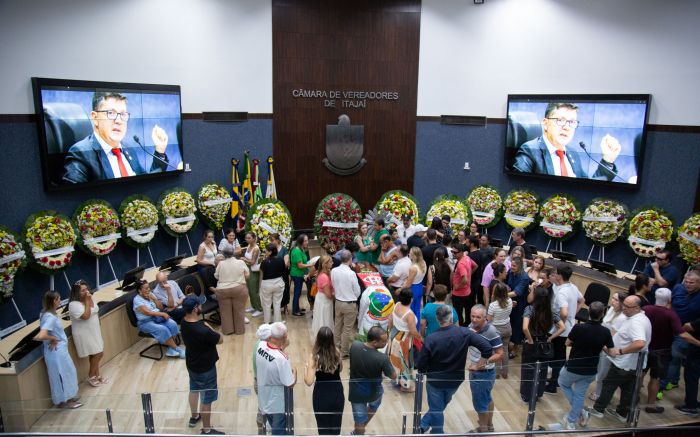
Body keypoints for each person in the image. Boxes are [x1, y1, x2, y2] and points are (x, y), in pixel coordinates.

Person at [62, 91, 173, 183]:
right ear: (95, 118)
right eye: (111, 113)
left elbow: (146, 184)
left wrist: (160, 151)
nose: (119, 120)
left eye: (123, 114)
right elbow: (74, 199)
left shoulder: (128, 150)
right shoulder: (81, 153)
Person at [416, 305, 493, 434]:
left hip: (435, 381)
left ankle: (437, 433)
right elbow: (487, 348)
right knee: (439, 407)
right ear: (451, 317)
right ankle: (423, 424)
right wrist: (479, 365)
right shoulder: (464, 333)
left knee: (436, 409)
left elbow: (421, 366)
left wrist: (424, 371)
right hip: (455, 380)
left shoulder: (431, 339)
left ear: (437, 319)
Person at [512, 102, 623, 181]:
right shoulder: (530, 150)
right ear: (545, 124)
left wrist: (607, 160)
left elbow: (588, 188)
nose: (566, 127)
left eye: (572, 122)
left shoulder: (572, 154)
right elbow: (519, 190)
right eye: (560, 120)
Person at [589, 295, 652, 422]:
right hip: (632, 364)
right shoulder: (639, 317)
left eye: (627, 307)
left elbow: (640, 343)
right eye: (624, 305)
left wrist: (620, 351)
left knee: (608, 385)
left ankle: (598, 409)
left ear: (637, 308)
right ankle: (622, 413)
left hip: (624, 363)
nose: (624, 308)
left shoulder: (636, 322)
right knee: (627, 389)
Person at [557, 302, 616, 430]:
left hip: (573, 366)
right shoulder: (605, 332)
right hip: (590, 370)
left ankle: (580, 413)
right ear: (602, 315)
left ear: (588, 312)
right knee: (579, 395)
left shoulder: (579, 328)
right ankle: (572, 421)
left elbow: (567, 343)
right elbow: (611, 351)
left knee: (563, 383)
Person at [642, 288, 700, 413]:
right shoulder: (671, 314)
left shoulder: (646, 309)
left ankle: (633, 399)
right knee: (655, 379)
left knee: (639, 375)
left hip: (644, 349)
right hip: (661, 353)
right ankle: (651, 405)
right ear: (669, 300)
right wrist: (698, 343)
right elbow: (683, 334)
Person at [180, 296, 225, 435]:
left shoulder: (183, 322)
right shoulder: (203, 330)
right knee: (207, 398)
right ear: (195, 309)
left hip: (192, 364)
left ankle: (194, 416)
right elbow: (220, 340)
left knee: (194, 389)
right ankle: (207, 429)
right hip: (206, 368)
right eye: (199, 305)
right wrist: (210, 327)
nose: (201, 306)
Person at [35, 291, 81, 408]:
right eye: (59, 299)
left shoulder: (46, 313)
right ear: (54, 301)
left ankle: (69, 397)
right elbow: (41, 335)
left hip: (59, 352)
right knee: (62, 376)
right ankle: (65, 402)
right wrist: (53, 338)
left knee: (68, 373)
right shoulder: (49, 317)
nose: (60, 301)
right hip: (56, 353)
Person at [348, 326, 396, 435]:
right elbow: (393, 376)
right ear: (374, 342)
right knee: (373, 407)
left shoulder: (354, 345)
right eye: (384, 341)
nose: (386, 343)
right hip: (374, 391)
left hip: (356, 391)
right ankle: (359, 430)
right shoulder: (382, 358)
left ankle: (358, 430)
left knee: (359, 419)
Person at [520, 287, 565, 403]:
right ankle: (538, 393)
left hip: (532, 343)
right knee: (542, 370)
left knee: (528, 369)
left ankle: (526, 394)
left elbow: (525, 327)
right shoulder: (551, 311)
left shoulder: (530, 309)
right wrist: (550, 337)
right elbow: (562, 327)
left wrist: (530, 340)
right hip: (545, 343)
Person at [545, 264, 584, 394]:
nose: (554, 276)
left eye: (556, 274)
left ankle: (553, 384)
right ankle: (556, 381)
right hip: (568, 328)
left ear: (560, 276)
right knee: (560, 356)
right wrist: (573, 316)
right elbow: (581, 300)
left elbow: (564, 312)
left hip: (560, 330)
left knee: (557, 357)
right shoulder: (573, 287)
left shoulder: (562, 292)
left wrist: (559, 322)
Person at [661, 269, 700, 394]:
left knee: (675, 357)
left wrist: (693, 325)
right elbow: (670, 303)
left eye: (691, 283)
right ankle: (673, 380)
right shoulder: (678, 288)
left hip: (686, 332)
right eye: (686, 282)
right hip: (670, 327)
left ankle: (662, 385)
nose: (688, 284)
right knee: (669, 356)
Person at [467, 305, 504, 433]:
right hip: (477, 371)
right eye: (472, 316)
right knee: (487, 398)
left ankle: (483, 430)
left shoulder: (492, 332)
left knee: (480, 404)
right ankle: (489, 426)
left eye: (478, 317)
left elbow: (500, 353)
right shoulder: (471, 327)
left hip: (483, 373)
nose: (474, 319)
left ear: (485, 318)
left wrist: (481, 364)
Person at [256, 322, 296, 435]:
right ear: (284, 337)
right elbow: (289, 383)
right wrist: (295, 373)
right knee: (279, 432)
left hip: (264, 399)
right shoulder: (282, 358)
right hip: (278, 405)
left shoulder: (260, 346)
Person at [304, 327, 344, 435]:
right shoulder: (337, 352)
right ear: (332, 339)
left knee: (323, 426)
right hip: (337, 392)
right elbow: (340, 369)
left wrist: (306, 367)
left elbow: (308, 382)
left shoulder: (314, 357)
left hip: (321, 394)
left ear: (318, 339)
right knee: (336, 424)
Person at [68, 280, 107, 387]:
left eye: (86, 289)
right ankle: (91, 376)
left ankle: (97, 375)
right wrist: (87, 300)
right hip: (84, 333)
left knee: (95, 354)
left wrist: (88, 300)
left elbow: (95, 309)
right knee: (99, 353)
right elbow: (85, 316)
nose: (86, 292)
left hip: (94, 331)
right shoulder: (73, 305)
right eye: (83, 290)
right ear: (76, 293)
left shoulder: (88, 298)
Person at [132, 280, 184, 358]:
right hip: (145, 322)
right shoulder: (137, 300)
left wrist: (154, 299)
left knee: (172, 324)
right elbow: (148, 313)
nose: (148, 290)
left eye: (148, 287)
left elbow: (161, 307)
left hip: (157, 318)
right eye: (146, 288)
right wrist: (162, 314)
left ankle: (171, 349)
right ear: (140, 290)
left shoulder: (151, 295)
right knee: (163, 329)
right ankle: (177, 349)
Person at [592, 291, 628, 401]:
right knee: (600, 369)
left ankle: (599, 394)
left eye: (616, 300)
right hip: (602, 343)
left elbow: (613, 334)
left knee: (604, 371)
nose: (613, 301)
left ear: (622, 303)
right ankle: (598, 390)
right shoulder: (611, 309)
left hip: (610, 346)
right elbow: (603, 324)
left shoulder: (623, 317)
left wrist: (603, 343)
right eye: (613, 298)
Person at [387, 288, 422, 392]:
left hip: (394, 335)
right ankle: (405, 386)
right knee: (405, 363)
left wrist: (390, 332)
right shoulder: (409, 314)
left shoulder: (397, 304)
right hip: (404, 340)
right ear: (411, 300)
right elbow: (413, 331)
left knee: (395, 360)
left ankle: (395, 379)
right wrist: (421, 339)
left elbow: (390, 319)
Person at [211, 247, 249, 335]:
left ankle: (228, 331)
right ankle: (239, 331)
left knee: (225, 311)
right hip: (239, 288)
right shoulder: (241, 262)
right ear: (234, 253)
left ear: (224, 254)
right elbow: (247, 274)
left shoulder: (220, 264)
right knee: (239, 310)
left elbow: (216, 276)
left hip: (223, 290)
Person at [332, 250, 362, 357]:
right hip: (349, 303)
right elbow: (357, 291)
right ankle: (344, 352)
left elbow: (333, 285)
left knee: (337, 326)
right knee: (347, 329)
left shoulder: (334, 270)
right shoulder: (351, 273)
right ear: (350, 260)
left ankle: (335, 347)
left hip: (338, 302)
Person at [506, 257, 531, 360]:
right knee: (510, 323)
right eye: (511, 265)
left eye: (514, 266)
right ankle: (508, 345)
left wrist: (502, 295)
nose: (512, 267)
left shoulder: (524, 277)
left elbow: (517, 292)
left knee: (517, 326)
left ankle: (515, 349)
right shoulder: (511, 272)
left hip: (520, 304)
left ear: (520, 266)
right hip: (510, 302)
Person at [487, 282, 513, 379]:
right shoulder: (510, 301)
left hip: (496, 330)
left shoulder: (493, 305)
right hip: (507, 327)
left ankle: (497, 373)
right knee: (505, 350)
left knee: (496, 351)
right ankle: (505, 372)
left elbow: (488, 320)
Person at [451, 243, 477, 326]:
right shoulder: (467, 258)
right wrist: (469, 275)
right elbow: (475, 266)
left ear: (461, 252)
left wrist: (457, 286)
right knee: (467, 311)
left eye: (455, 252)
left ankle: (461, 329)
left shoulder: (461, 264)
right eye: (452, 251)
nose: (453, 254)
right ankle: (466, 326)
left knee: (458, 314)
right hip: (467, 292)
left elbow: (465, 279)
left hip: (459, 294)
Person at [260, 243, 287, 324]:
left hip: (267, 284)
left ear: (270, 252)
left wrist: (259, 287)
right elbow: (283, 271)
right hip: (278, 282)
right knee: (277, 303)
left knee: (267, 305)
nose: (265, 252)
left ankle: (267, 323)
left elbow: (261, 275)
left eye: (266, 251)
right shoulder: (281, 260)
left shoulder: (264, 262)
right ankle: (278, 322)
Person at [253, 324, 272, 435]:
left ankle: (261, 432)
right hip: (263, 384)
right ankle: (262, 432)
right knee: (263, 411)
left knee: (262, 408)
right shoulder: (265, 349)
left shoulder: (257, 345)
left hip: (258, 381)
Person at [290, 233, 315, 316]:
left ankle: (297, 308)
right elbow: (300, 265)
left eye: (307, 240)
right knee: (297, 292)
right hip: (297, 274)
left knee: (299, 292)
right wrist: (311, 265)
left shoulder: (301, 249)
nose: (307, 242)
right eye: (305, 241)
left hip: (300, 274)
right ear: (301, 241)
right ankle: (295, 311)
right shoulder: (297, 251)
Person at [312, 255, 335, 336]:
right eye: (331, 262)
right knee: (325, 318)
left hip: (322, 298)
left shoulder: (323, 273)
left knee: (323, 318)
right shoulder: (324, 277)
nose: (333, 263)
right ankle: (324, 336)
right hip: (324, 300)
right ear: (325, 264)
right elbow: (328, 294)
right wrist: (335, 296)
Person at [405, 247, 427, 329]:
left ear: (414, 255)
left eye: (410, 252)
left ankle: (410, 328)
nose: (409, 253)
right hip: (419, 287)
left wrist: (400, 288)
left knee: (410, 310)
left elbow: (408, 284)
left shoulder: (413, 268)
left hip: (413, 289)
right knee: (417, 310)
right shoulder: (423, 263)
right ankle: (416, 328)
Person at [242, 232, 263, 317]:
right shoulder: (248, 246)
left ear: (254, 238)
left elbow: (253, 262)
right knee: (250, 290)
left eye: (249, 238)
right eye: (246, 238)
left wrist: (244, 259)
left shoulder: (256, 249)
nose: (247, 240)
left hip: (253, 271)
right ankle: (254, 306)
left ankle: (260, 309)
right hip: (247, 269)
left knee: (254, 291)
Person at [269, 233, 291, 315]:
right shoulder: (270, 249)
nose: (271, 242)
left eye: (273, 240)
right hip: (273, 273)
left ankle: (285, 306)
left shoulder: (284, 249)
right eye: (270, 240)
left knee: (284, 290)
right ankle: (274, 307)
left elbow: (286, 263)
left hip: (282, 273)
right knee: (273, 291)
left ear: (278, 240)